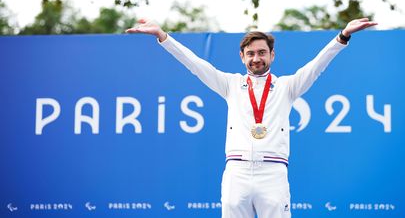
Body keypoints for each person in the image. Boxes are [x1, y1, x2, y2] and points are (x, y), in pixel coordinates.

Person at [126, 18, 377, 218]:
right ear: (242, 57)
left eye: (262, 52)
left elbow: (317, 65)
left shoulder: (287, 86)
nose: (256, 58)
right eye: (250, 53)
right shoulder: (230, 84)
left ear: (272, 55)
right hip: (237, 172)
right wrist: (163, 37)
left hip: (273, 172)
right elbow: (195, 64)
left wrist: (343, 36)